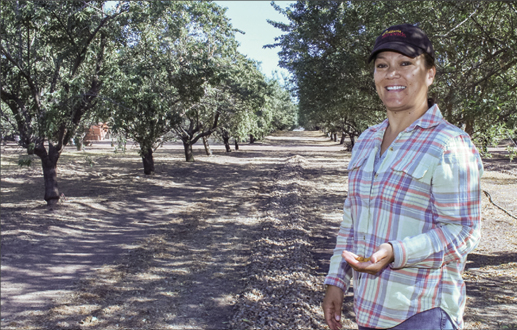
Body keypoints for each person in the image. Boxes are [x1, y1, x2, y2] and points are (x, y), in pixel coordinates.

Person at [322, 24, 483, 330]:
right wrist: (337, 281)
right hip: (369, 310)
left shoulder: (450, 144)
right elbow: (351, 221)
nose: (391, 73)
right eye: (382, 65)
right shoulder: (366, 141)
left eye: (406, 64)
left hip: (422, 312)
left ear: (430, 74)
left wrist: (398, 252)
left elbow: (463, 231)